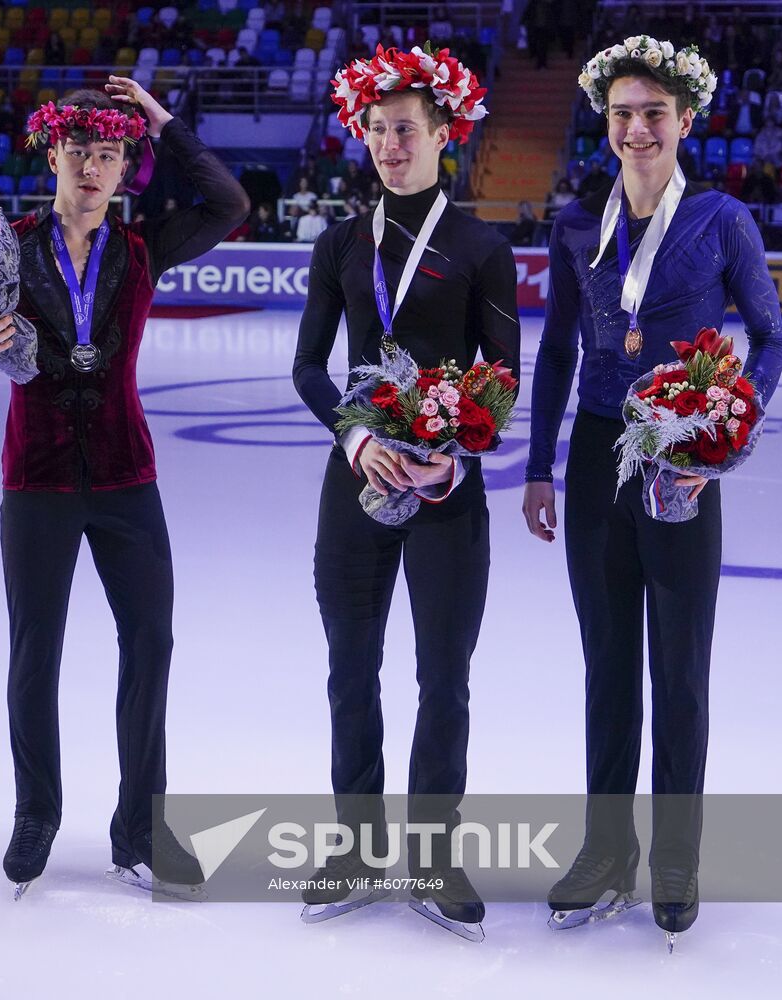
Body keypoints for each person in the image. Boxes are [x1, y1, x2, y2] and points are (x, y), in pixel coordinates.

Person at [0, 81, 249, 895]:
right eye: (79, 150)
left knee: (151, 643)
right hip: (37, 478)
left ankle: (140, 828)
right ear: (53, 154)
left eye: (110, 153)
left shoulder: (146, 249)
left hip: (125, 476)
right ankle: (35, 813)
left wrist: (163, 122)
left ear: (125, 168)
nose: (92, 166)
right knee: (33, 653)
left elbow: (228, 203)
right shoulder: (0, 248)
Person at [522, 38, 782, 946]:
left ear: (684, 122)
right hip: (599, 460)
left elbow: (770, 337)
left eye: (654, 114)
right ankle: (605, 849)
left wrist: (725, 434)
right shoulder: (573, 224)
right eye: (624, 114)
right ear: (607, 122)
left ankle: (676, 856)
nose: (638, 129)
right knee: (607, 666)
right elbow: (556, 350)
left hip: (678, 465)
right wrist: (538, 465)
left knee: (680, 670)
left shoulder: (721, 220)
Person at [293, 44, 520, 937]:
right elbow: (310, 367)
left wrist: (456, 455)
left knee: (443, 680)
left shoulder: (481, 245)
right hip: (354, 487)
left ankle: (433, 854)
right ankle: (354, 846)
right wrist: (354, 439)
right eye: (379, 131)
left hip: (444, 494)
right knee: (353, 671)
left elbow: (501, 373)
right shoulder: (341, 243)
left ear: (442, 137)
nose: (391, 145)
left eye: (406, 131)